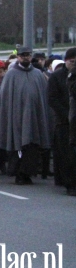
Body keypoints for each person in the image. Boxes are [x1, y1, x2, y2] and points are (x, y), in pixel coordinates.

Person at [0, 47, 52, 185]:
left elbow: (43, 97)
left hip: (34, 118)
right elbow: (6, 100)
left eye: (28, 55)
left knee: (32, 147)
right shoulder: (11, 75)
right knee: (18, 147)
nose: (25, 58)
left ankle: (28, 173)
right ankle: (18, 173)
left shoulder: (38, 74)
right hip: (16, 118)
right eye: (23, 56)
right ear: (18, 57)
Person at [50, 49, 76, 195]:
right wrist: (66, 115)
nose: (74, 64)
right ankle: (69, 183)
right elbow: (52, 98)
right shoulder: (57, 76)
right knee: (67, 154)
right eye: (72, 61)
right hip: (64, 121)